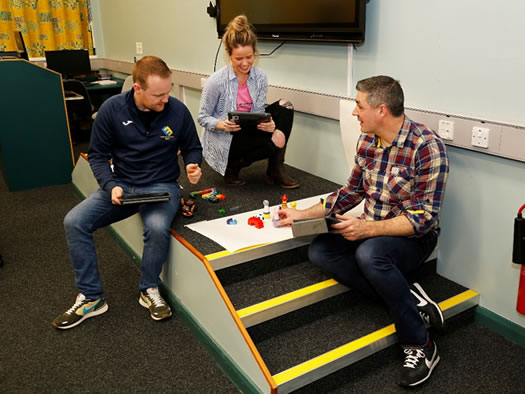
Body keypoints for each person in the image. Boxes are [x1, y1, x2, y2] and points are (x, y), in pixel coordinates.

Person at [276, 76, 449, 387]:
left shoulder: (427, 148)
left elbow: (422, 219)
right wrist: (301, 214)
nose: (354, 112)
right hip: (371, 230)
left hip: (412, 239)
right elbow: (350, 193)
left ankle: (421, 345)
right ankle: (410, 297)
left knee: (370, 255)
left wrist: (367, 230)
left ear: (381, 110)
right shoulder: (368, 141)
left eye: (358, 105)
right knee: (320, 250)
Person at [52, 56, 203, 330]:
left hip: (162, 186)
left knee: (157, 227)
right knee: (74, 221)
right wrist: (111, 185)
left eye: (167, 92)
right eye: (158, 95)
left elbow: (193, 146)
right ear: (137, 89)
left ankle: (149, 289)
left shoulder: (177, 111)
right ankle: (91, 298)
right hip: (122, 185)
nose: (165, 100)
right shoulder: (112, 110)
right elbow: (97, 156)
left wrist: (194, 165)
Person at [198, 15, 300, 188]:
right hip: (226, 136)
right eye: (239, 59)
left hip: (248, 127)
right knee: (271, 144)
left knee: (286, 106)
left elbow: (259, 111)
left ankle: (276, 168)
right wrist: (222, 124)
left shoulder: (260, 77)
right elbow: (202, 117)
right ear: (229, 54)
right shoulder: (215, 81)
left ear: (254, 53)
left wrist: (270, 125)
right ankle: (233, 166)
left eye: (249, 57)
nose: (245, 63)